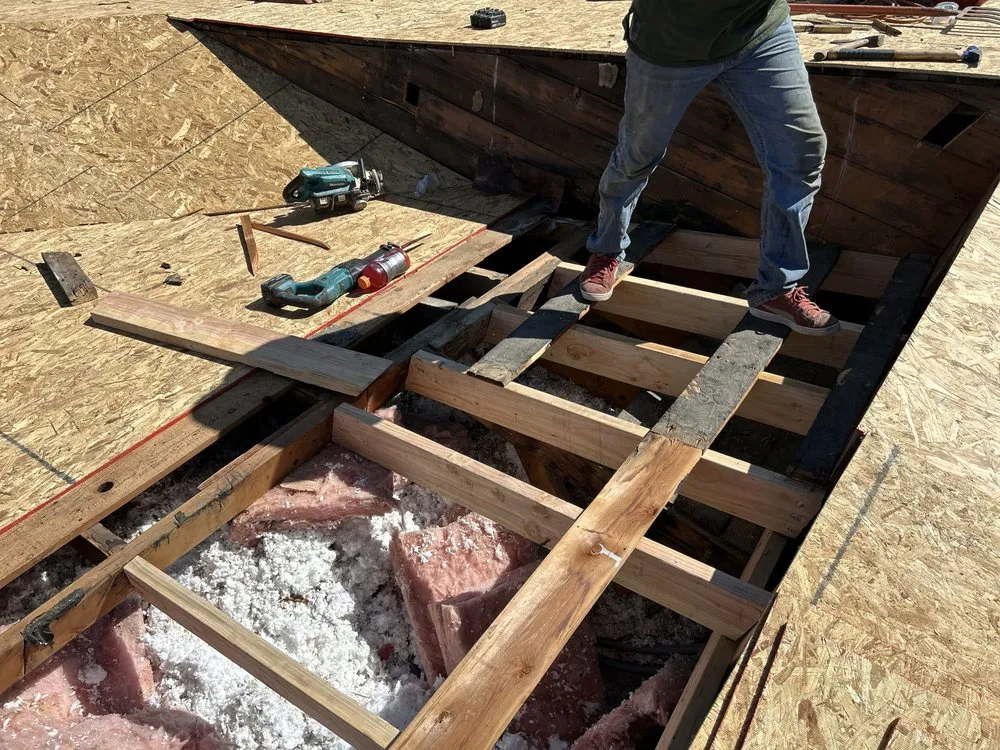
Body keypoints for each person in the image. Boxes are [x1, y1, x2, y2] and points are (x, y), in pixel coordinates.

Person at [579, 0, 840, 336]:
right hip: (669, 45)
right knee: (637, 154)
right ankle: (606, 248)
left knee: (801, 152)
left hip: (757, 32)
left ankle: (776, 288)